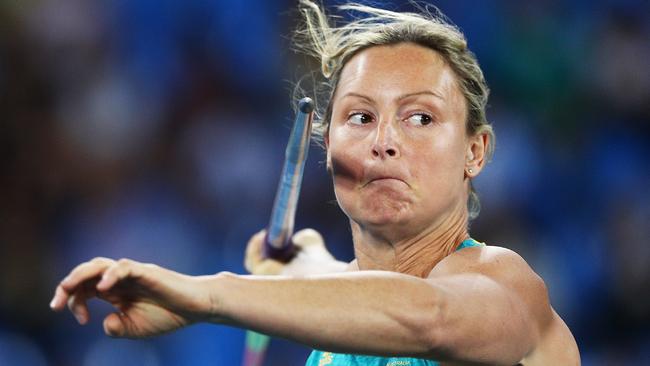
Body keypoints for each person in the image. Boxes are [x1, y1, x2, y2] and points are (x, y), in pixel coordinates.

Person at [49, 1, 580, 365]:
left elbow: (428, 315)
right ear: (328, 149)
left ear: (475, 151)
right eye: (360, 117)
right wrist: (304, 263)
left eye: (420, 118)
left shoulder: (505, 286)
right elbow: (357, 291)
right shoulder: (336, 319)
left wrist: (207, 297)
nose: (384, 142)